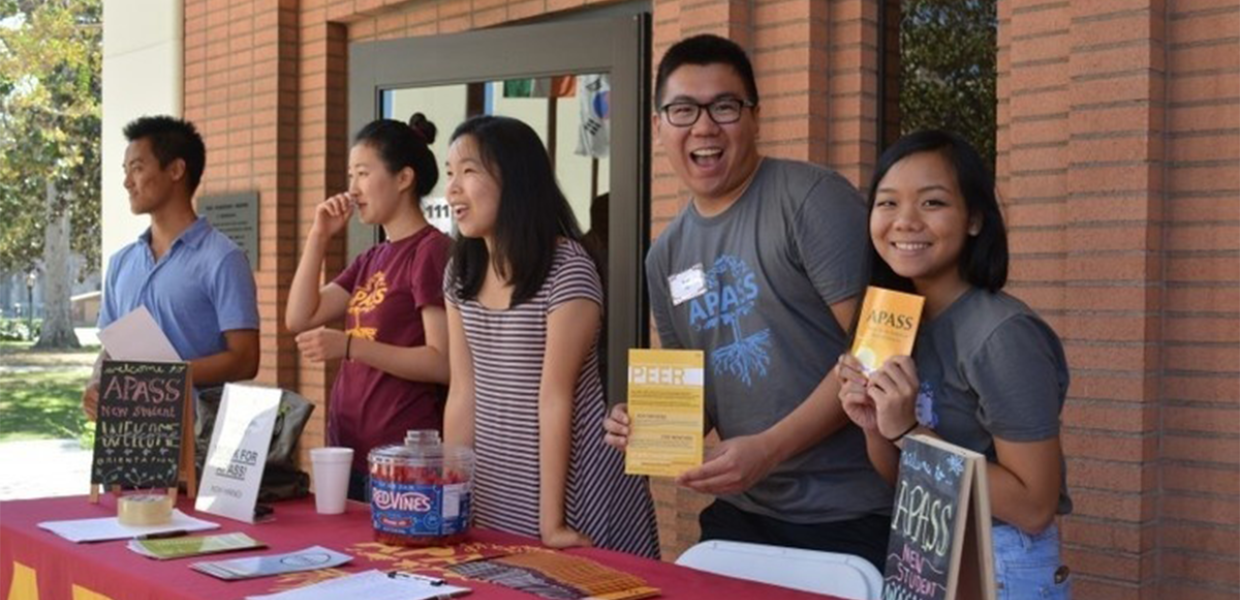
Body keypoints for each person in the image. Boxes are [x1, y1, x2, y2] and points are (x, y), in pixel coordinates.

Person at [603, 34, 892, 568]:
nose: (704, 126)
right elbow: (702, 400)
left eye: (725, 106)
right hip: (744, 508)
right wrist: (647, 422)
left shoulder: (810, 199)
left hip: (849, 512)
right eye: (683, 109)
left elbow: (875, 349)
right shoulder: (664, 257)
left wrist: (770, 448)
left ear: (755, 118)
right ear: (658, 127)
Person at [837, 130, 1071, 598]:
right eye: (887, 203)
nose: (904, 222)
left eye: (932, 203)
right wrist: (873, 425)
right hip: (928, 548)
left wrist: (909, 433)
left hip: (1001, 562)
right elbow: (906, 479)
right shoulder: (898, 322)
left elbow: (1033, 505)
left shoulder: (1003, 336)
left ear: (975, 220)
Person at [442, 115, 659, 558]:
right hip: (498, 482)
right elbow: (463, 392)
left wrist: (552, 522)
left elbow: (555, 397)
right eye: (449, 174)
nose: (453, 189)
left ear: (516, 181)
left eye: (468, 171)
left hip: (574, 487)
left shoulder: (567, 267)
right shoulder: (459, 272)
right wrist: (453, 496)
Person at [286, 115, 451, 501]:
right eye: (350, 176)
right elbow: (299, 317)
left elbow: (441, 362)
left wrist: (349, 346)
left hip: (402, 457)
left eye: (362, 174)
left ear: (403, 178)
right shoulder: (372, 257)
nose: (352, 189)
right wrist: (318, 236)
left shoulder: (430, 251)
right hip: (350, 451)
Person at [82, 116, 259, 419]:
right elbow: (111, 349)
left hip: (196, 444)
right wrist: (97, 383)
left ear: (176, 170)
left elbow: (245, 360)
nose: (127, 182)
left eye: (137, 168)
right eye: (125, 171)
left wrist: (164, 376)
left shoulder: (223, 259)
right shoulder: (120, 263)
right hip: (128, 442)